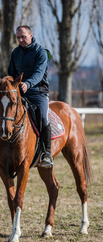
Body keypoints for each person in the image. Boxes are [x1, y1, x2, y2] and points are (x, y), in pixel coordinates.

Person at [8, 25, 53, 168]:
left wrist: (28, 84)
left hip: (38, 93)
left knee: (44, 118)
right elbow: (11, 73)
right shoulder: (15, 53)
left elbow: (39, 74)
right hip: (19, 94)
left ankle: (47, 152)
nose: (21, 40)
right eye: (18, 37)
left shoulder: (41, 53)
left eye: (23, 37)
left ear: (31, 35)